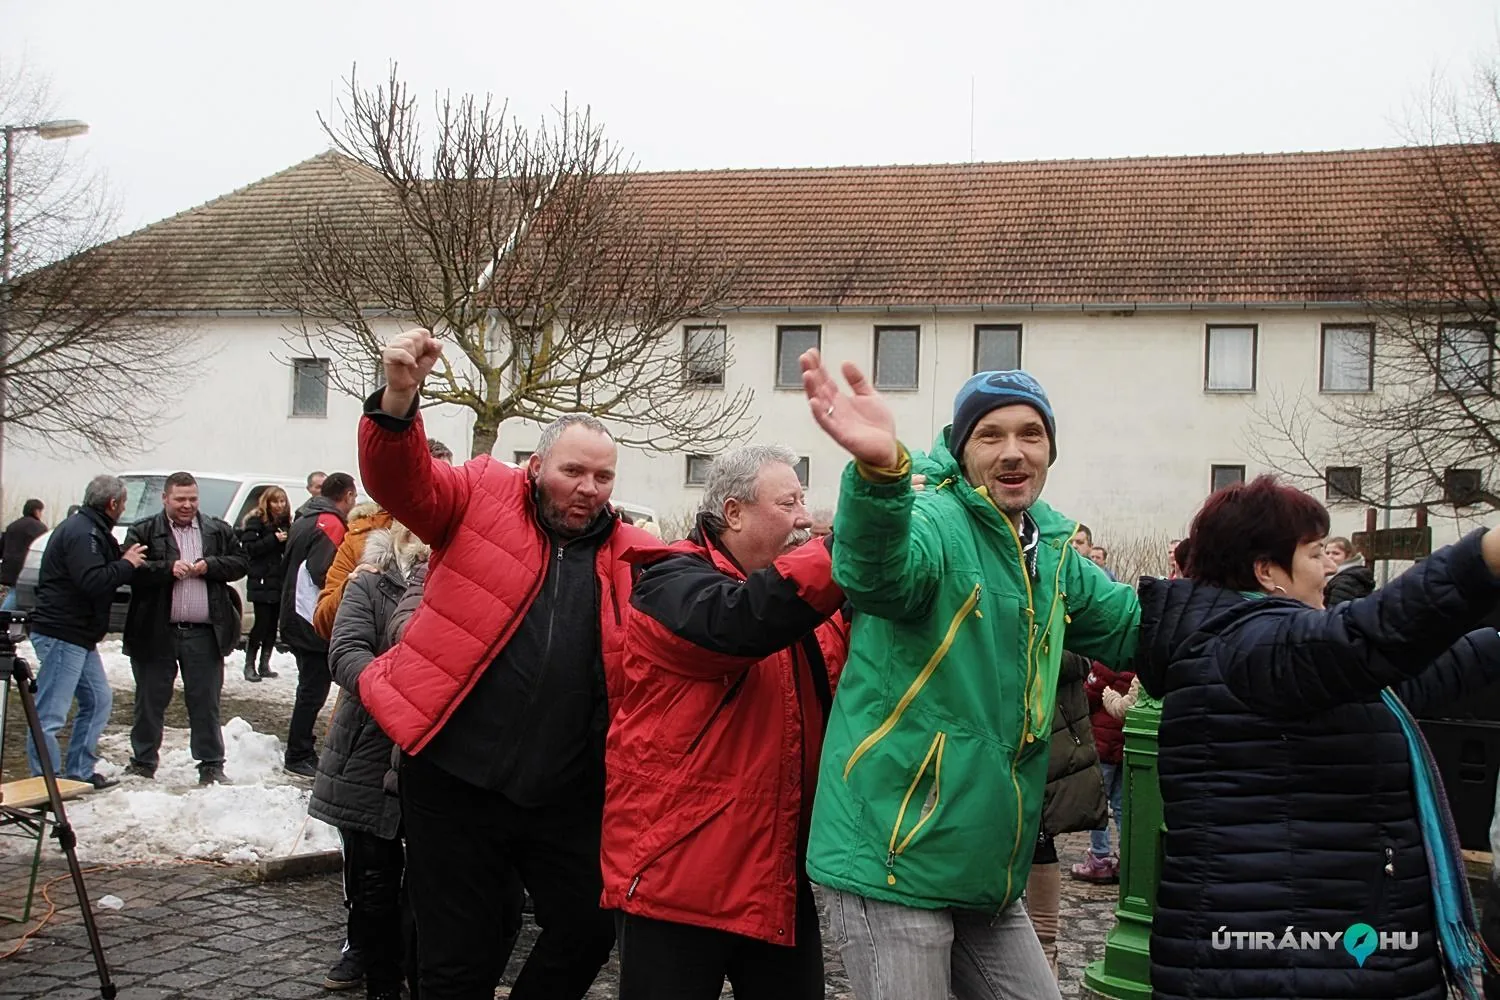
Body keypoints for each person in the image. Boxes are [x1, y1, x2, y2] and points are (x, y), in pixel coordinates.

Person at [799, 356, 1141, 1000]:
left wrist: (1251, 607)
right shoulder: (935, 522)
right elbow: (875, 573)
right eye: (991, 435)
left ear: (1050, 449)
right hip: (894, 856)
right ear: (962, 448)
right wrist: (878, 475)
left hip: (987, 865)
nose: (1013, 452)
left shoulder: (1051, 549)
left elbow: (1134, 627)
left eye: (1030, 435)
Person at [355, 327, 659, 1000]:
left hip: (564, 793)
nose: (587, 488)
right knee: (459, 959)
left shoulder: (631, 556)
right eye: (572, 471)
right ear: (537, 466)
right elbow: (401, 483)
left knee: (587, 928)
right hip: (454, 781)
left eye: (602, 476)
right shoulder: (479, 493)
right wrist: (400, 397)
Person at [1138, 474, 1500, 1000]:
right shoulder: (1254, 645)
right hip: (1286, 966)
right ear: (1267, 571)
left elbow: (1412, 675)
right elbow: (1368, 635)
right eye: (1313, 553)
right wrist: (1482, 557)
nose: (1330, 565)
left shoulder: (1267, 648)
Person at [601, 445, 850, 1000]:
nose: (805, 517)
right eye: (788, 502)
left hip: (780, 876)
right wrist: (851, 542)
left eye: (804, 501)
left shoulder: (808, 601)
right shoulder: (667, 581)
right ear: (733, 512)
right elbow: (742, 622)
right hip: (678, 879)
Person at [311, 522, 432, 1000]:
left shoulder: (456, 575)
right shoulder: (370, 579)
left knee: (425, 883)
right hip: (368, 750)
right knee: (373, 878)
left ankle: (410, 969)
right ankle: (370, 962)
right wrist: (400, 692)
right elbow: (345, 653)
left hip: (428, 755)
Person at [121, 472, 248, 786]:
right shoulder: (144, 530)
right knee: (150, 700)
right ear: (165, 498)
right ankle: (143, 761)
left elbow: (241, 562)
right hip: (156, 631)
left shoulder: (216, 529)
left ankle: (211, 764)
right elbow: (128, 571)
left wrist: (211, 565)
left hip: (203, 633)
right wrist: (167, 569)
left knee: (205, 702)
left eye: (192, 499)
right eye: (180, 499)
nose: (187, 505)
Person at [25, 476, 145, 788]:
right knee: (51, 711)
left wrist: (119, 559)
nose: (123, 508)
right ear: (113, 504)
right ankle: (45, 781)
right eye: (123, 503)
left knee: (98, 700)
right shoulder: (83, 533)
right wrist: (126, 564)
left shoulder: (90, 529)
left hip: (78, 634)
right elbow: (91, 580)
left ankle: (79, 770)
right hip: (62, 631)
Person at [1027, 651, 1108, 976]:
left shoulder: (1061, 609)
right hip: (1008, 740)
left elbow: (1082, 660)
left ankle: (1045, 950)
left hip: (1050, 743)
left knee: (1039, 839)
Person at [281, 471, 358, 778]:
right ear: (349, 496)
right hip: (312, 617)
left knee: (309, 688)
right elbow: (324, 571)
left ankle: (300, 748)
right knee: (312, 690)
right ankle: (298, 753)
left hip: (295, 613)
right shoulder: (331, 523)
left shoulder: (303, 517)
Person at [1070, 658, 1136, 883]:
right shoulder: (1138, 669)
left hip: (1103, 744)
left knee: (1097, 801)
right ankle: (1127, 856)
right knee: (1121, 804)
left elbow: (1088, 695)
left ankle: (1099, 857)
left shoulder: (1107, 665)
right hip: (1125, 743)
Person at [239, 486, 292, 682]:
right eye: (275, 501)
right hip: (261, 580)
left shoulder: (286, 523)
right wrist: (273, 540)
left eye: (282, 501)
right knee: (260, 624)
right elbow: (250, 549)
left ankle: (264, 664)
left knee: (272, 626)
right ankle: (249, 665)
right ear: (267, 503)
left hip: (278, 580)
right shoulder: (256, 521)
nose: (279, 505)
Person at [1, 498, 46, 610]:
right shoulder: (39, 528)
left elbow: (2, 547)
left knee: (14, 593)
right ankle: (4, 616)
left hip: (10, 568)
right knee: (16, 596)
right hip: (26, 570)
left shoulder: (12, 526)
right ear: (36, 511)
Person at [1324, 534, 1377, 606]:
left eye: (1336, 553)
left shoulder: (1346, 580)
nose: (1330, 557)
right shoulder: (1352, 574)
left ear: (1348, 556)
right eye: (1327, 553)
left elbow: (1335, 612)